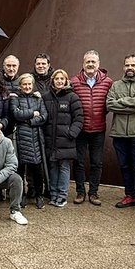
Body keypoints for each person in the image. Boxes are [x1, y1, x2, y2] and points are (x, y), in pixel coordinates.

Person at [106, 54, 135, 213]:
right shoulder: (116, 85)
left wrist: (122, 103)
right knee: (125, 166)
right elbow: (110, 104)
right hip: (119, 133)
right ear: (123, 67)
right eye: (127, 65)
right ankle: (129, 195)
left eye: (133, 65)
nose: (130, 68)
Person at [70, 50, 113, 205]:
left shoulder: (108, 82)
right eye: (88, 61)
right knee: (79, 162)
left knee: (97, 162)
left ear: (98, 64)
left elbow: (110, 103)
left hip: (98, 129)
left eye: (93, 62)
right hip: (80, 129)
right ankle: (80, 192)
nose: (90, 64)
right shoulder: (74, 81)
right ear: (83, 63)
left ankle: (93, 193)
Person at [42, 68, 83, 207]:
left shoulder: (72, 97)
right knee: (53, 167)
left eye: (62, 79)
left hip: (66, 141)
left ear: (66, 81)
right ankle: (53, 194)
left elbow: (79, 118)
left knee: (64, 167)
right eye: (56, 79)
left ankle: (62, 195)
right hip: (50, 140)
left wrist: (71, 133)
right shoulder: (46, 97)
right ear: (52, 81)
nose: (59, 81)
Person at [9, 73, 48, 208]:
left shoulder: (38, 98)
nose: (27, 86)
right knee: (20, 169)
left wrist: (29, 121)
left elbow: (44, 117)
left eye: (29, 84)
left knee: (37, 170)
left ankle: (39, 195)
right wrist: (33, 113)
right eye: (24, 84)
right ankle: (21, 196)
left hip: (35, 138)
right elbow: (16, 114)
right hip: (20, 138)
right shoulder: (15, 98)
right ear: (20, 86)